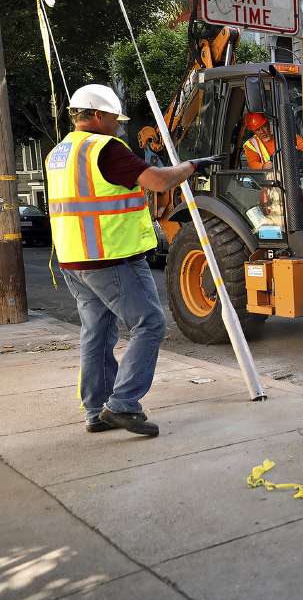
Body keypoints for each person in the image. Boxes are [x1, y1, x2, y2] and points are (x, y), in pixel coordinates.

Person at [46, 84, 220, 436]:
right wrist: (190, 166)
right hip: (111, 258)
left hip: (74, 260)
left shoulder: (59, 153)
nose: (118, 126)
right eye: (114, 118)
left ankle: (96, 411)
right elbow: (157, 181)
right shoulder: (105, 149)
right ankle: (122, 405)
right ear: (97, 115)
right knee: (151, 323)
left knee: (97, 334)